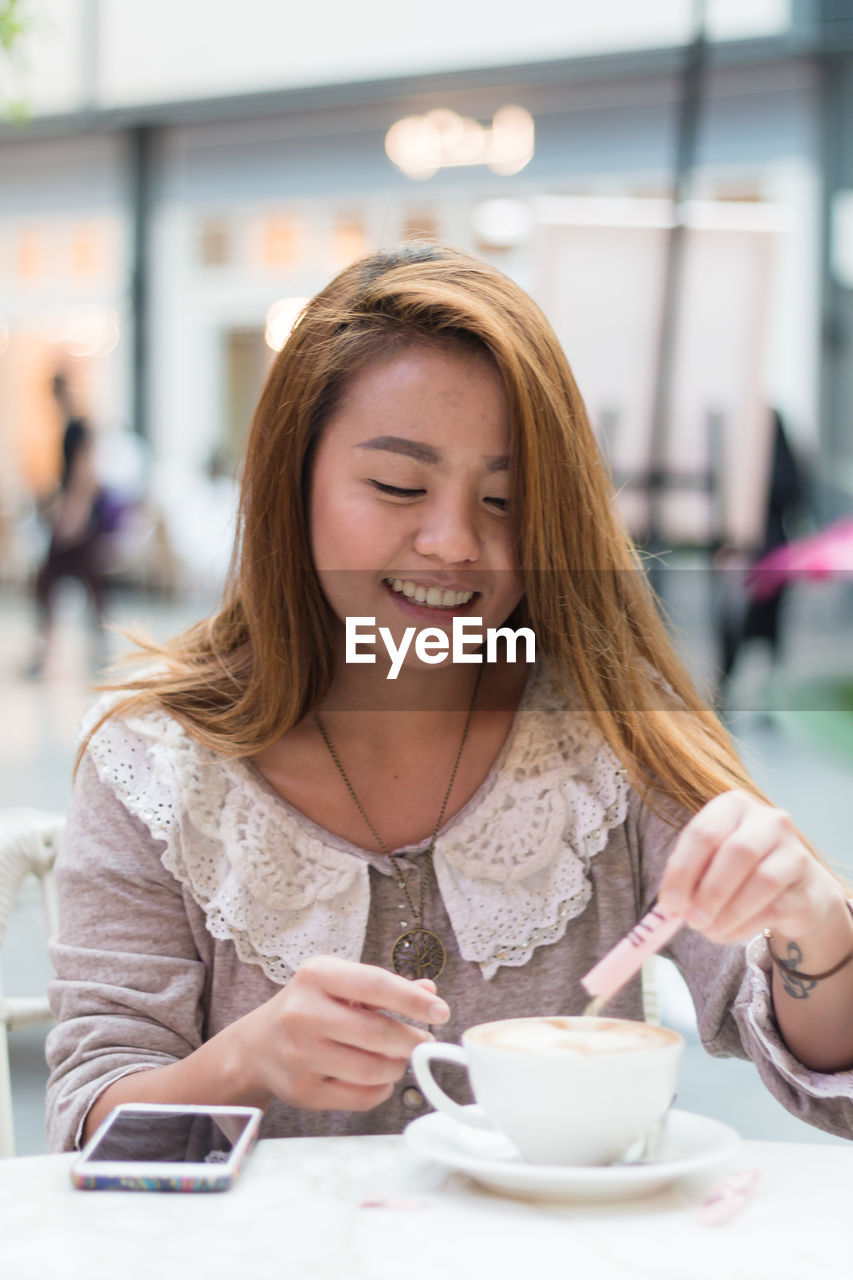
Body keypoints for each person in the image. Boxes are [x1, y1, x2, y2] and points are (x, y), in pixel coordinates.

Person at [45, 243, 853, 1152]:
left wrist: (813, 925)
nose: (453, 541)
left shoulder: (604, 734)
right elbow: (90, 1129)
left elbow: (835, 1080)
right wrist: (247, 1061)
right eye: (398, 486)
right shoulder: (155, 761)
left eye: (505, 500)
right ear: (290, 480)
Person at [28, 407, 109, 677]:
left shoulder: (76, 428)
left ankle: (48, 653)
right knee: (87, 582)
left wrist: (75, 511)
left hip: (77, 516)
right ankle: (98, 648)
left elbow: (85, 468)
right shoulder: (71, 427)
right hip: (77, 513)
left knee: (49, 582)